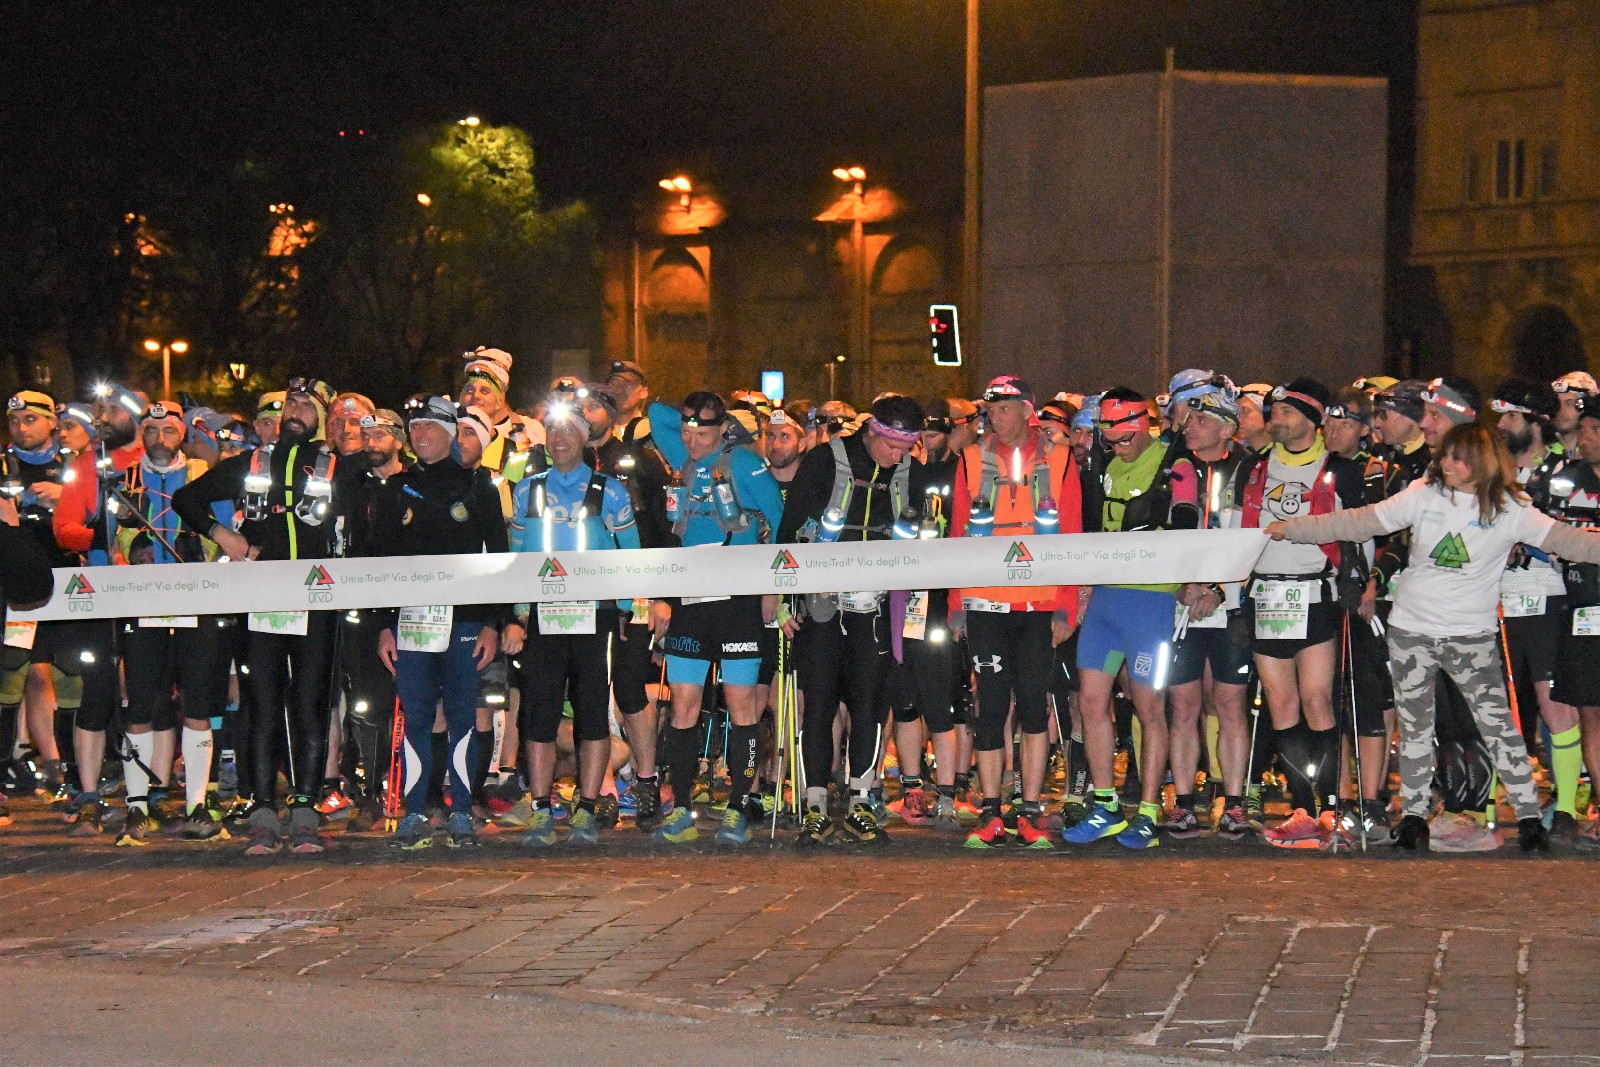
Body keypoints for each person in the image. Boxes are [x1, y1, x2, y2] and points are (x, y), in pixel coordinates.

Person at [1267, 422, 1600, 853]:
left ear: (1480, 463)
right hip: (1412, 632)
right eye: (1445, 456)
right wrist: (1295, 527)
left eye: (1456, 458)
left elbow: (1570, 542)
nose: (1445, 464)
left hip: (1471, 637)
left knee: (1498, 726)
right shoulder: (1423, 494)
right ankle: (1413, 817)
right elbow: (1360, 521)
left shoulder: (1512, 508)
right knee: (1416, 728)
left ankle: (1529, 817)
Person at [173, 377, 357, 856]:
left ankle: (305, 809)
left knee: (311, 704)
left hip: (317, 602)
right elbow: (186, 500)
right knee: (261, 703)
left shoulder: (338, 467)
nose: (296, 411)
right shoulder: (253, 462)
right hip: (261, 599)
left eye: (308, 406)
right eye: (291, 402)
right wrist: (225, 536)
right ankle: (261, 811)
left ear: (323, 419)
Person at [777, 393, 927, 848]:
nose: (897, 456)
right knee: (819, 706)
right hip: (821, 606)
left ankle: (862, 801)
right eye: (892, 446)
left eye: (906, 448)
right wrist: (782, 599)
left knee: (869, 707)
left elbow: (923, 546)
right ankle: (816, 806)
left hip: (875, 609)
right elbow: (790, 528)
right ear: (872, 432)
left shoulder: (910, 473)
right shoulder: (826, 460)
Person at [1232, 378, 1367, 849]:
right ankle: (1302, 808)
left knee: (1317, 700)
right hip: (1267, 594)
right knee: (1282, 704)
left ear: (1312, 418)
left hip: (1316, 592)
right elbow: (1236, 528)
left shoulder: (1340, 469)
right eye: (1274, 411)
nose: (1277, 419)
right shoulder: (1253, 467)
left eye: (1287, 411)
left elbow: (1362, 532)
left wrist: (1361, 580)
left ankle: (1331, 807)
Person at [648, 391, 784, 846]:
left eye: (702, 434)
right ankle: (682, 807)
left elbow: (780, 518)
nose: (691, 442)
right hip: (692, 598)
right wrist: (694, 418)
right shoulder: (684, 455)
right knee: (683, 706)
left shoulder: (742, 461)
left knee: (741, 704)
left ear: (723, 430)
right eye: (686, 432)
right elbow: (656, 414)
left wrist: (772, 586)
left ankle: (739, 806)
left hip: (738, 599)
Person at [503, 397, 640, 847]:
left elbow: (631, 554)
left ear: (584, 437)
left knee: (592, 713)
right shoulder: (527, 489)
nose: (559, 439)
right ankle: (541, 809)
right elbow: (518, 556)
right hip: (542, 616)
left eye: (569, 431)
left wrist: (625, 608)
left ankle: (586, 807)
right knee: (538, 715)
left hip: (594, 615)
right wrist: (517, 614)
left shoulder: (609, 490)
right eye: (552, 431)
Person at [372, 396, 506, 850]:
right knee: (417, 718)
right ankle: (414, 811)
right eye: (414, 427)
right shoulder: (395, 489)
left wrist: (492, 623)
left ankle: (462, 811)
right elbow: (381, 562)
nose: (420, 434)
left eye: (430, 426)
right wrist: (384, 625)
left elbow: (498, 559)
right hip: (411, 623)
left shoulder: (479, 488)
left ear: (451, 433)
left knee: (464, 717)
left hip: (465, 624)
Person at [1062, 387, 1194, 850]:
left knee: (1149, 707)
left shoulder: (1175, 463)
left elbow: (1188, 525)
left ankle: (1150, 810)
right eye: (1109, 437)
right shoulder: (1106, 466)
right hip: (1106, 600)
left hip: (1151, 604)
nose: (1117, 445)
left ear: (1143, 424)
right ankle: (1106, 804)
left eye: (1124, 436)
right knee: (1090, 702)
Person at [104, 402, 228, 844]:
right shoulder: (122, 480)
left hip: (196, 601)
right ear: (142, 434)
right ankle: (137, 807)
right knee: (139, 706)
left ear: (182, 434)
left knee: (198, 706)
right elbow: (106, 541)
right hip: (143, 604)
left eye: (169, 430)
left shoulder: (203, 476)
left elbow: (225, 533)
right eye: (152, 430)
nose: (160, 438)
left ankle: (197, 804)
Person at [1492, 380, 1585, 843]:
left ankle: (1566, 806)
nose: (1501, 424)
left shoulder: (1568, 471)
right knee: (1496, 706)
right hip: (1495, 600)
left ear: (1536, 422)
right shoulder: (1493, 470)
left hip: (1548, 599)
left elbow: (1573, 534)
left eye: (1511, 416)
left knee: (1555, 704)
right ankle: (1488, 807)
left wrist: (1529, 542)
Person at [577, 384, 673, 830]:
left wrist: (662, 595)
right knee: (589, 691)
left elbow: (662, 529)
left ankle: (647, 780)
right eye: (578, 408)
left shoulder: (640, 461)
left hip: (635, 590)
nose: (584, 413)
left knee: (631, 686)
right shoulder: (561, 463)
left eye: (594, 406)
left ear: (613, 415)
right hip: (582, 595)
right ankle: (601, 790)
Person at [1167, 387, 1254, 839]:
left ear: (1226, 429)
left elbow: (1251, 538)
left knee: (1230, 703)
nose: (1189, 427)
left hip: (1230, 602)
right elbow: (1162, 535)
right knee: (1183, 703)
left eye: (1201, 421)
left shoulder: (1247, 469)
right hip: (1182, 602)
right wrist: (1180, 584)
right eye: (1188, 420)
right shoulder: (1175, 466)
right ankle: (1184, 803)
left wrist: (1220, 590)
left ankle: (1235, 802)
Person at [1320, 389, 1394, 837]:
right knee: (1330, 700)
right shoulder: (1317, 467)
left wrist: (1371, 583)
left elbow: (1387, 534)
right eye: (1329, 422)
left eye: (1345, 423)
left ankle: (1371, 799)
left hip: (1359, 594)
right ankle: (1341, 797)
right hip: (1321, 594)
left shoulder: (1374, 470)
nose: (1334, 431)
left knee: (1367, 696)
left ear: (1365, 429)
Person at [339, 410, 409, 831]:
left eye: (380, 434)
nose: (371, 442)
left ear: (399, 440)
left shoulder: (414, 484)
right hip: (363, 609)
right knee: (366, 703)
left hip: (411, 603)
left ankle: (414, 788)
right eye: (366, 435)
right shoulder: (351, 485)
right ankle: (371, 788)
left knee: (415, 700)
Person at [1549, 400, 1600, 852]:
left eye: (1592, 430)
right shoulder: (1567, 479)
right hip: (1583, 609)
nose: (1583, 438)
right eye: (1581, 429)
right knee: (1590, 713)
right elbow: (1551, 534)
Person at [1551, 371, 1597, 456]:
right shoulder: (1542, 451)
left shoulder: (1595, 453)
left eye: (1569, 403)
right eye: (1557, 403)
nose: (1561, 410)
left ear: (1586, 405)